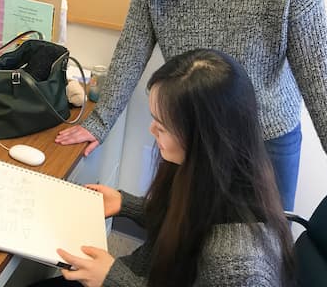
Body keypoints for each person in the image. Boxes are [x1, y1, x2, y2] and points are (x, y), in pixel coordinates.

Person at [55, 0, 327, 211]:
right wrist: (100, 122)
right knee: (180, 242)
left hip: (264, 143)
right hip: (187, 138)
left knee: (258, 253)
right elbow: (131, 49)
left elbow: (322, 84)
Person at [35, 48, 295, 287]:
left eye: (162, 126)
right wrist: (127, 204)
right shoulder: (212, 175)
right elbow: (188, 223)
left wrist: (113, 278)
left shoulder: (237, 268)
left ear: (203, 139)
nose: (152, 130)